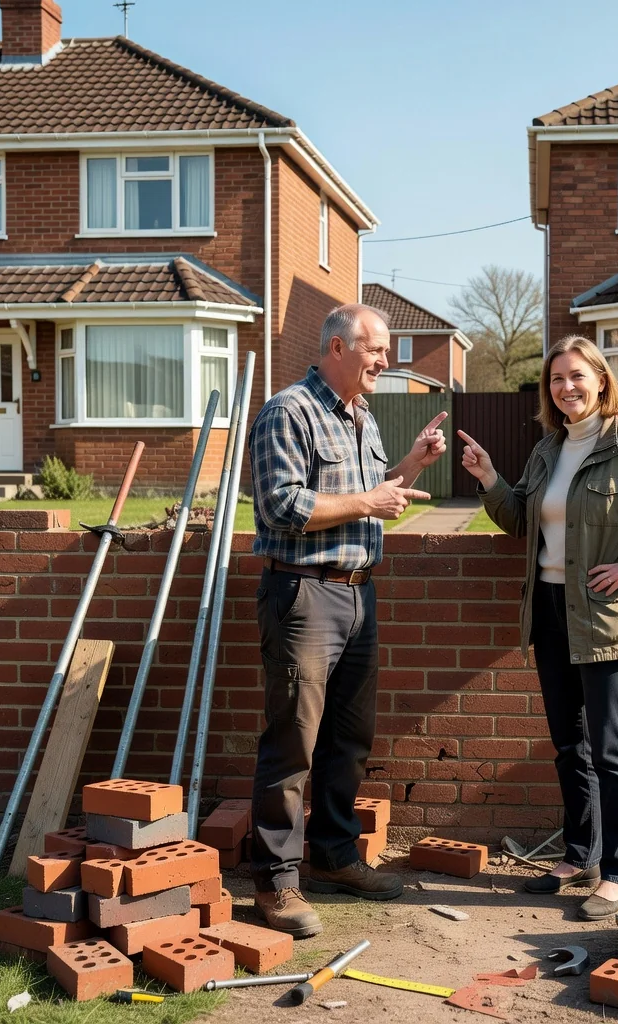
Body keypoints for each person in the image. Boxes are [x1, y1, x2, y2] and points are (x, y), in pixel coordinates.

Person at [458, 335, 618, 920]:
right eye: (555, 379)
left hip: (608, 618)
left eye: (576, 376)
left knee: (612, 750)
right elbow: (520, 519)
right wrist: (490, 476)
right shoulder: (547, 449)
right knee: (570, 746)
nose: (565, 387)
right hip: (547, 612)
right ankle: (580, 854)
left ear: (601, 380)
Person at [248, 303, 447, 937]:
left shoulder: (359, 415)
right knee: (293, 741)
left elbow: (367, 495)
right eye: (378, 351)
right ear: (338, 347)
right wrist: (371, 497)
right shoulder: (288, 411)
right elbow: (281, 506)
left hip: (360, 595)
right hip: (305, 595)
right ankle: (276, 885)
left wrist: (409, 468)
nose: (387, 362)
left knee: (348, 738)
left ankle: (333, 856)